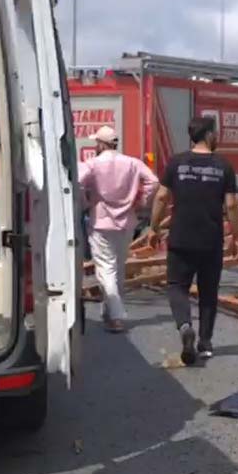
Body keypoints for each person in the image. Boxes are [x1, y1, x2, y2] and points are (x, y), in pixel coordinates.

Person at [149, 115, 238, 365]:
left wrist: (153, 228)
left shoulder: (176, 163)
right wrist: (236, 236)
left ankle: (184, 326)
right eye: (216, 132)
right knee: (208, 292)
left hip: (180, 237)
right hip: (211, 240)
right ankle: (205, 343)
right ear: (209, 135)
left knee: (177, 286)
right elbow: (231, 205)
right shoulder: (224, 166)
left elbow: (160, 197)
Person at [77, 125, 158, 333]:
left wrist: (85, 202)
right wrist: (141, 202)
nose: (95, 146)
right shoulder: (132, 163)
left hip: (100, 221)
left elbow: (75, 182)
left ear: (102, 144)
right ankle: (109, 312)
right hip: (127, 222)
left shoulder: (92, 164)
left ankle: (116, 316)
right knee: (117, 268)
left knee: (105, 269)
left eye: (97, 142)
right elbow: (153, 181)